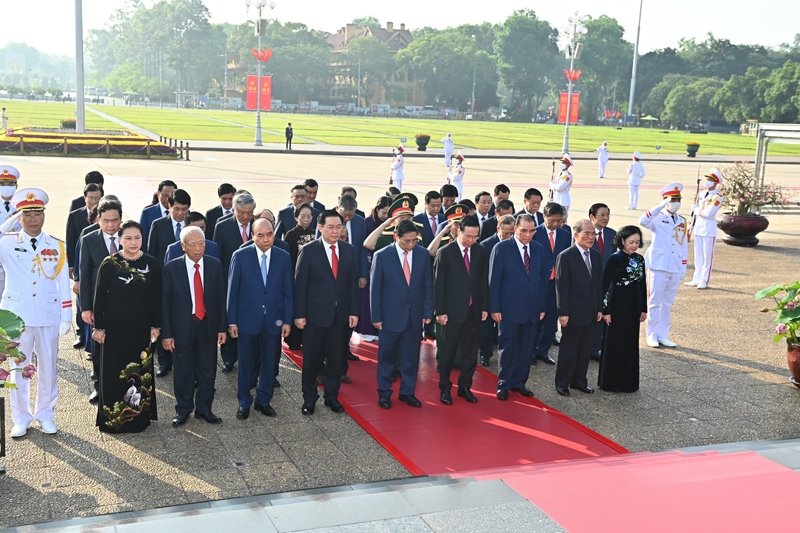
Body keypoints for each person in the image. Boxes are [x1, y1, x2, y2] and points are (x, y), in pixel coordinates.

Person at [0, 188, 72, 438]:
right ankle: (20, 416)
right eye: (26, 214)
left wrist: (66, 316)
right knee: (18, 367)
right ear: (18, 217)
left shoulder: (56, 245)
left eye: (37, 213)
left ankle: (45, 413)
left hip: (47, 314)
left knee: (48, 368)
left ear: (44, 215)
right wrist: (3, 227)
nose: (33, 219)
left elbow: (63, 284)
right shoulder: (6, 243)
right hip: (15, 317)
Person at [91, 221, 162, 433]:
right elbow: (99, 299)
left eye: (137, 238)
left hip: (141, 330)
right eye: (128, 238)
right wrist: (99, 327)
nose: (133, 242)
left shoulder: (152, 264)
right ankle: (113, 420)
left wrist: (156, 325)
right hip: (113, 331)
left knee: (140, 373)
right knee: (112, 373)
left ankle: (138, 419)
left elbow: (157, 298)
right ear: (120, 239)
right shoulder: (109, 263)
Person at [294, 210, 359, 415]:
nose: (335, 231)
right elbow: (300, 285)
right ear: (320, 228)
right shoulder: (309, 250)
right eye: (330, 227)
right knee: (312, 359)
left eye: (338, 227)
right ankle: (309, 398)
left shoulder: (349, 251)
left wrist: (353, 311)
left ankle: (332, 397)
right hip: (314, 316)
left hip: (340, 316)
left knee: (336, 358)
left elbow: (351, 285)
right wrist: (299, 314)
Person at [228, 218, 293, 420]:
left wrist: (287, 320)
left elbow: (288, 291)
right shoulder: (240, 256)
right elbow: (232, 292)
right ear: (252, 236)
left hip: (274, 319)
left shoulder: (283, 257)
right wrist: (232, 321)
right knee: (246, 362)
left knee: (270, 362)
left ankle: (263, 400)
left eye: (269, 234)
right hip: (247, 319)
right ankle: (244, 402)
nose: (266, 239)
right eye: (260, 235)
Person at [161, 227, 227, 426]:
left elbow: (220, 299)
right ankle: (183, 410)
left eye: (202, 243)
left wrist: (222, 328)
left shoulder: (215, 265)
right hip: (183, 326)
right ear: (183, 246)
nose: (198, 249)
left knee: (208, 369)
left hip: (207, 325)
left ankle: (204, 409)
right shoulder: (171, 269)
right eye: (193, 244)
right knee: (183, 370)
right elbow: (165, 304)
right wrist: (167, 334)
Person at [371, 220, 434, 409]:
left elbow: (427, 285)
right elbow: (375, 289)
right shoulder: (382, 256)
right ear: (396, 237)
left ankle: (407, 392)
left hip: (414, 315)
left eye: (415, 240)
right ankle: (384, 392)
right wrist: (376, 317)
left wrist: (427, 311)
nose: (411, 245)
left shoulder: (422, 254)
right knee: (386, 357)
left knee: (411, 357)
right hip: (389, 316)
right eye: (407, 241)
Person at [490, 214, 547, 400]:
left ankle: (519, 382)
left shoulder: (538, 249)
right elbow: (494, 281)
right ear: (515, 229)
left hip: (532, 309)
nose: (527, 235)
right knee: (507, 347)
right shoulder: (501, 248)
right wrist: (495, 308)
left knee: (526, 348)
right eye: (523, 230)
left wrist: (542, 307)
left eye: (531, 231)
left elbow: (542, 282)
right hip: (509, 308)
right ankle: (504, 384)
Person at [434, 215, 489, 405]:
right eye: (468, 236)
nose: (471, 240)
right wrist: (440, 311)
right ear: (458, 231)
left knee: (470, 352)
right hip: (451, 313)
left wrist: (484, 307)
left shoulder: (480, 252)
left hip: (473, 311)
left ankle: (465, 387)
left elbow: (483, 282)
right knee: (448, 352)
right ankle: (445, 388)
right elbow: (438, 285)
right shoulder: (445, 253)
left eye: (475, 237)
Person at [79, 198, 124, 401]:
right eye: (106, 220)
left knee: (122, 347)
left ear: (121, 219)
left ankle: (121, 385)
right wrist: (86, 308)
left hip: (125, 305)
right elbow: (85, 276)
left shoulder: (130, 238)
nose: (111, 225)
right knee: (98, 347)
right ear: (98, 219)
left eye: (115, 220)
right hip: (99, 305)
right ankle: (99, 385)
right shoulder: (89, 239)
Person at [554, 219, 604, 397]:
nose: (591, 237)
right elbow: (562, 287)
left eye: (594, 234)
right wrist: (563, 312)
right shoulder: (566, 256)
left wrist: (599, 308)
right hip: (573, 312)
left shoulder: (596, 255)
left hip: (591, 312)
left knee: (585, 349)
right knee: (569, 349)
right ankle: (562, 383)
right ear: (576, 235)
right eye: (587, 234)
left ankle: (579, 381)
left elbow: (598, 285)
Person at [639, 183, 688, 348]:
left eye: (678, 199)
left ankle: (663, 334)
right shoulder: (657, 218)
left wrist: (683, 267)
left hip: (674, 265)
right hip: (659, 265)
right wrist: (660, 205)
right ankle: (651, 334)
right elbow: (643, 220)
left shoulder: (682, 221)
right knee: (654, 302)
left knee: (667, 303)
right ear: (666, 200)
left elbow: (683, 245)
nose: (676, 202)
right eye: (673, 199)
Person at [599, 225, 647, 393]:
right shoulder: (614, 258)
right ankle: (610, 382)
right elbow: (605, 284)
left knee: (630, 342)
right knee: (614, 342)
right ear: (622, 241)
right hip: (617, 303)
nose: (634, 245)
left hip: (634, 304)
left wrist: (644, 308)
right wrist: (605, 310)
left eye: (637, 242)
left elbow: (642, 284)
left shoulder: (640, 259)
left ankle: (629, 382)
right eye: (631, 242)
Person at [213, 191, 256, 372]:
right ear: (234, 210)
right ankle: (228, 358)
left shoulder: (258, 226)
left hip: (253, 284)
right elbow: (217, 257)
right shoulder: (222, 227)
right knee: (230, 319)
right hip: (229, 282)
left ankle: (251, 359)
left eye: (249, 213)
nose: (246, 217)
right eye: (242, 213)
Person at [532, 202, 569, 367]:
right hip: (539, 282)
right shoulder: (534, 232)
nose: (555, 224)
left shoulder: (565, 233)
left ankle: (544, 351)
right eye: (552, 220)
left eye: (559, 220)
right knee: (536, 318)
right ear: (544, 217)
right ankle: (531, 351)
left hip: (557, 283)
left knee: (552, 319)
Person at [66, 183, 103, 350]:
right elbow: (72, 241)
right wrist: (72, 267)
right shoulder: (75, 215)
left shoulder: (107, 216)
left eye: (98, 198)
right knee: (83, 304)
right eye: (91, 198)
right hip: (81, 267)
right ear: (84, 198)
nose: (94, 201)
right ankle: (81, 334)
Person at [479, 214, 515, 367]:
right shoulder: (486, 245)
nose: (508, 236)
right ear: (498, 228)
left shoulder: (515, 244)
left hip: (507, 294)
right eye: (505, 232)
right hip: (488, 293)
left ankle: (505, 355)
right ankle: (485, 354)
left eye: (512, 233)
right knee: (485, 327)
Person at [357, 196, 391, 342]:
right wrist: (363, 273)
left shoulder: (391, 225)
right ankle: (365, 330)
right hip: (369, 264)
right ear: (377, 209)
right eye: (383, 212)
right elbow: (362, 248)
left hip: (385, 268)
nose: (385, 216)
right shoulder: (367, 223)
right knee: (367, 300)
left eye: (389, 214)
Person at [686, 168, 724, 289]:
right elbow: (696, 214)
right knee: (698, 255)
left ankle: (704, 280)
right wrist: (690, 227)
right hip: (698, 227)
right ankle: (696, 278)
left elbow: (709, 212)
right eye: (707, 179)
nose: (707, 181)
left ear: (715, 182)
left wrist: (696, 210)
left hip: (708, 228)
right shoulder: (701, 194)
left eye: (710, 179)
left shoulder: (718, 197)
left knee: (707, 256)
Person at [589, 203, 617, 360]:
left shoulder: (612, 234)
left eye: (608, 215)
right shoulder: (584, 233)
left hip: (605, 284)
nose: (605, 218)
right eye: (602, 215)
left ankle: (595, 349)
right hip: (587, 283)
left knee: (602, 314)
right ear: (592, 217)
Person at [147, 189, 191, 265]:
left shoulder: (193, 224)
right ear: (169, 206)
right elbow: (152, 253)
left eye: (184, 209)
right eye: (176, 209)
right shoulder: (158, 225)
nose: (180, 213)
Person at [0, 165, 22, 295]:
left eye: (10, 184)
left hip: (17, 257)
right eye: (2, 183)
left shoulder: (22, 205)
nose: (6, 187)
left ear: (16, 186)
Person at [139, 180, 176, 253]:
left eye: (170, 196)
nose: (167, 200)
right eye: (164, 195)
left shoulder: (183, 214)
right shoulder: (147, 213)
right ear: (158, 193)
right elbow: (143, 238)